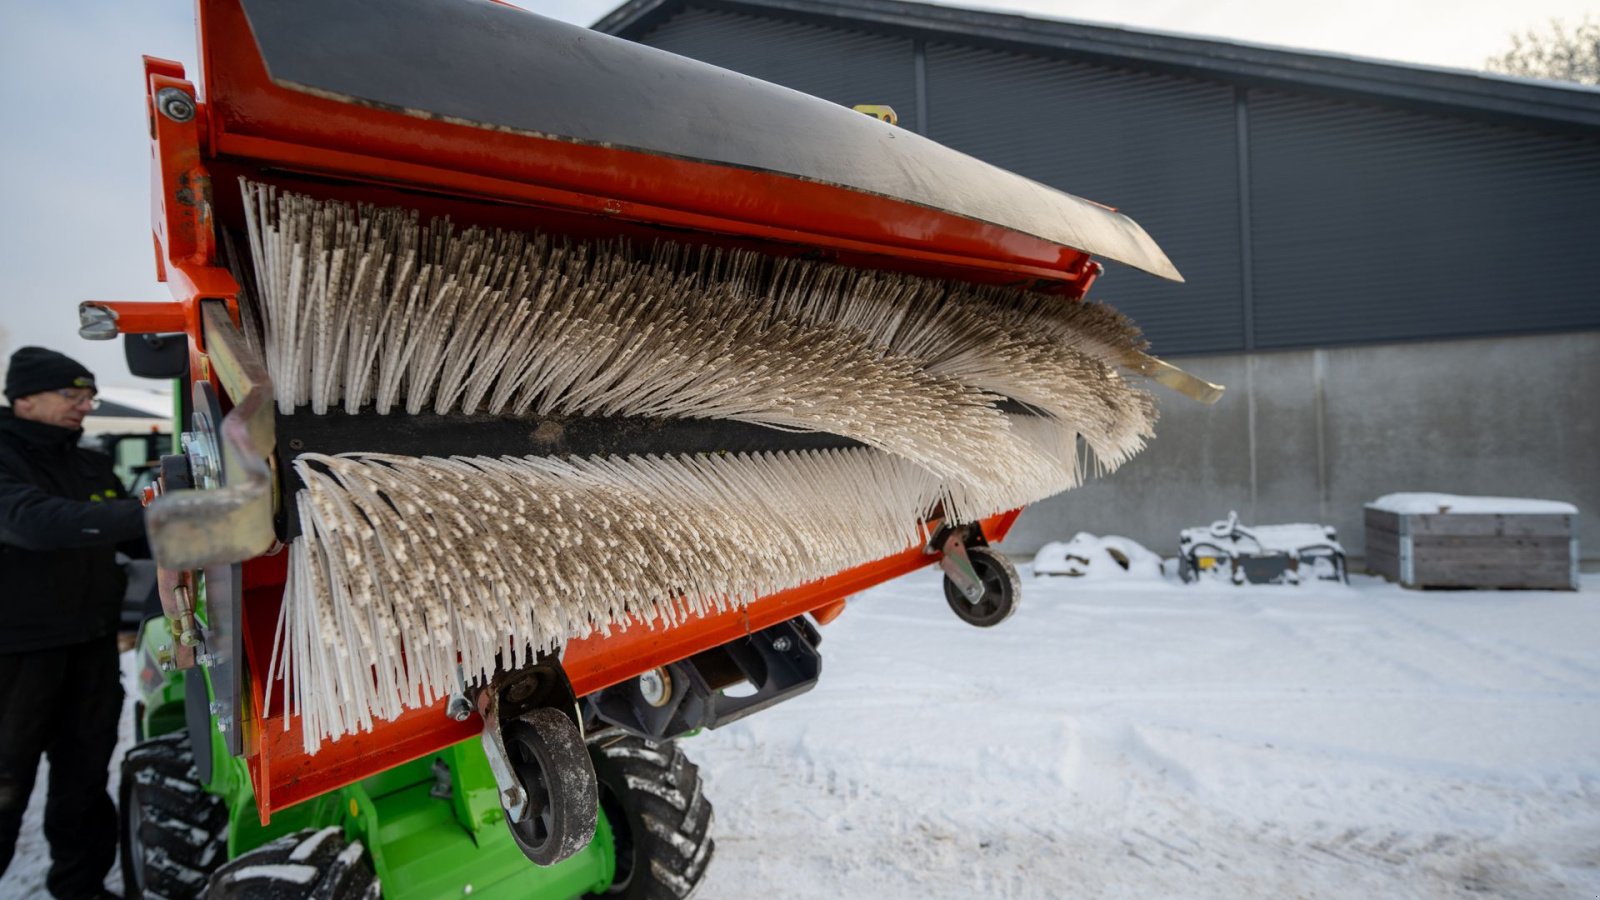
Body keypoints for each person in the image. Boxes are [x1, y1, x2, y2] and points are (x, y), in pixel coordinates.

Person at [0, 346, 148, 900]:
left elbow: (131, 534)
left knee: (83, 785)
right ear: (26, 398)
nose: (85, 405)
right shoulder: (7, 459)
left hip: (88, 647)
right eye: (72, 395)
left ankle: (81, 889)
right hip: (14, 656)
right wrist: (144, 512)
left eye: (89, 396)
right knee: (5, 786)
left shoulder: (87, 462)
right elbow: (32, 523)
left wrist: (200, 519)